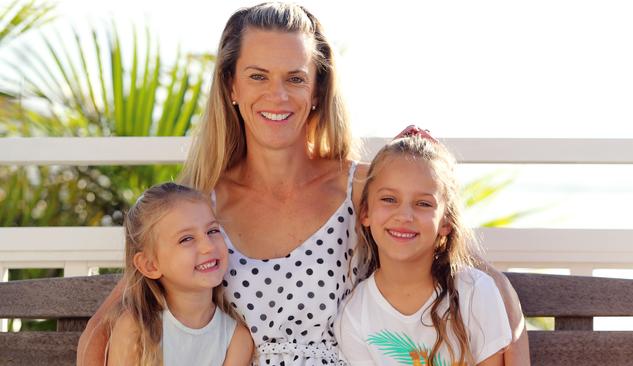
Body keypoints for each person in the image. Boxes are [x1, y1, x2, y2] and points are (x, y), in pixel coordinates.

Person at [78, 2, 529, 365]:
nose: (278, 96)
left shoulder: (363, 189)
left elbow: (481, 287)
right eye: (258, 76)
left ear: (316, 91)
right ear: (231, 86)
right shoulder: (202, 207)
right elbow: (106, 330)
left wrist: (501, 292)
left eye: (295, 78)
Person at [335, 134, 511, 365]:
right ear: (366, 212)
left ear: (445, 222)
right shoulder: (355, 314)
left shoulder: (475, 292)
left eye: (423, 204)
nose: (404, 216)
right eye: (389, 199)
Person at [103, 182, 253, 365]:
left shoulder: (236, 338)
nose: (208, 246)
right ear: (150, 265)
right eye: (187, 239)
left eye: (212, 231)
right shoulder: (134, 330)